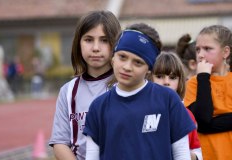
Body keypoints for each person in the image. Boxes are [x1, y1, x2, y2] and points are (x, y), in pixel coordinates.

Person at [83, 23, 195, 160]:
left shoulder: (168, 100)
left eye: (138, 62)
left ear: (149, 68)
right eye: (122, 57)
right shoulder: (98, 107)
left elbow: (181, 154)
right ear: (113, 58)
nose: (127, 67)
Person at [49, 10, 121, 160]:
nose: (95, 48)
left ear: (116, 43)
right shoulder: (68, 91)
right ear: (78, 43)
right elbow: (60, 143)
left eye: (104, 40)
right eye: (88, 40)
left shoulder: (125, 85)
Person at [184, 25, 232, 160]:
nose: (200, 55)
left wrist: (213, 123)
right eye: (198, 49)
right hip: (208, 155)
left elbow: (207, 125)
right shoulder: (194, 83)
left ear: (225, 52)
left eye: (207, 49)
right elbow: (203, 121)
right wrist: (203, 77)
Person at [151, 51, 202, 160]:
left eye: (172, 77)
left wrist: (182, 152)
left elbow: (198, 153)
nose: (166, 82)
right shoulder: (139, 110)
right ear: (150, 77)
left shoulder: (187, 115)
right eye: (159, 76)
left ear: (180, 82)